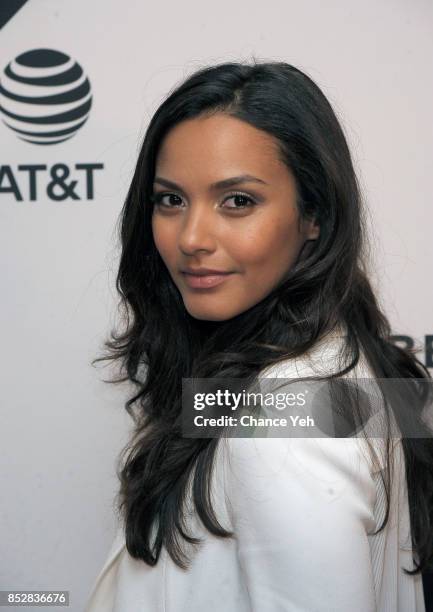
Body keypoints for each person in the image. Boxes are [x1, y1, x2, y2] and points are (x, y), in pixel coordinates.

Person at [85, 59, 433, 611]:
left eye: (238, 201)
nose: (192, 237)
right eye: (170, 199)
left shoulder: (280, 424)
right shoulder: (305, 372)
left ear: (313, 214)